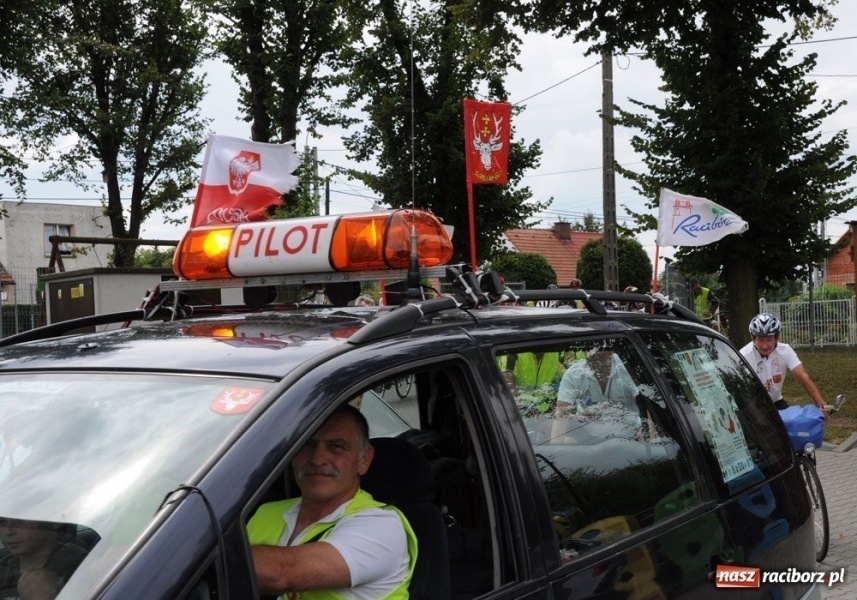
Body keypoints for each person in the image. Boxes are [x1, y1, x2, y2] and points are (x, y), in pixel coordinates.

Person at [246, 404, 417, 599]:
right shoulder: (266, 512)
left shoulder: (382, 527)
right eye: (307, 445)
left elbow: (283, 573)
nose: (317, 459)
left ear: (364, 460)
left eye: (336, 446)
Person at [740, 313, 827, 416]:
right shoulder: (744, 356)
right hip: (752, 405)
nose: (764, 345)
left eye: (769, 339)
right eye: (760, 340)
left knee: (790, 428)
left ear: (777, 338)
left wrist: (821, 403)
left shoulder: (785, 350)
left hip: (776, 401)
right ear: (753, 338)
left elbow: (803, 377)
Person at [0, 518, 86, 600]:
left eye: (20, 521)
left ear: (55, 521)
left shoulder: (82, 566)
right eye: (2, 521)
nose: (8, 531)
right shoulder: (3, 569)